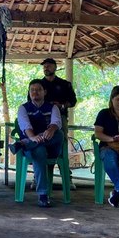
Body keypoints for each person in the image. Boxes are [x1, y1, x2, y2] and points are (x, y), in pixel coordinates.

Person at [12, 79, 64, 207]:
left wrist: (51, 130)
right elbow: (25, 125)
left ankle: (24, 143)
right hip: (34, 147)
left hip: (51, 146)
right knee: (39, 151)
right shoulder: (23, 108)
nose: (35, 92)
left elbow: (57, 122)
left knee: (59, 134)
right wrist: (33, 137)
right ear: (29, 93)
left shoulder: (53, 107)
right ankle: (43, 195)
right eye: (32, 90)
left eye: (39, 90)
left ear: (44, 92)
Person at [39, 58, 77, 190]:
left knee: (62, 145)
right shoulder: (38, 85)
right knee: (39, 144)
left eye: (49, 66)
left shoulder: (64, 84)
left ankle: (67, 178)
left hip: (60, 119)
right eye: (44, 66)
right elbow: (30, 101)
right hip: (40, 119)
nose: (46, 68)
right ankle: (38, 178)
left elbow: (73, 101)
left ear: (55, 67)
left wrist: (60, 105)